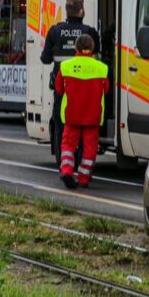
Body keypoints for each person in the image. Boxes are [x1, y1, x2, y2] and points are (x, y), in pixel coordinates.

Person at [41, 0, 100, 160]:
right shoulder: (90, 32)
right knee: (83, 124)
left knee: (61, 123)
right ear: (81, 12)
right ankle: (82, 159)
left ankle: (64, 160)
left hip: (63, 87)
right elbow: (98, 55)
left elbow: (45, 59)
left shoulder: (55, 31)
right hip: (86, 88)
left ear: (67, 12)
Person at [55, 34, 109, 189]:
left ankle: (66, 170)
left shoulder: (66, 66)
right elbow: (106, 90)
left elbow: (59, 89)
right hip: (93, 116)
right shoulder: (102, 68)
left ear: (76, 47)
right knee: (90, 147)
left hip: (72, 114)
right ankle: (84, 178)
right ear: (92, 48)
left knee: (68, 145)